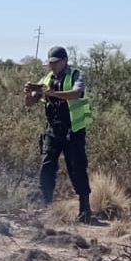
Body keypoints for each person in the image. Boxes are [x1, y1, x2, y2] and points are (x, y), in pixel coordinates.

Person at [24, 46, 95, 223]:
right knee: (47, 166)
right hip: (53, 130)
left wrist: (52, 93)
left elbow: (76, 93)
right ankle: (47, 207)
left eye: (55, 62)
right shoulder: (47, 78)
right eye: (50, 63)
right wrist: (30, 93)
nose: (52, 66)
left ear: (64, 61)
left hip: (74, 129)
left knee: (76, 168)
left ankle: (85, 209)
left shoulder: (76, 75)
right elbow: (30, 103)